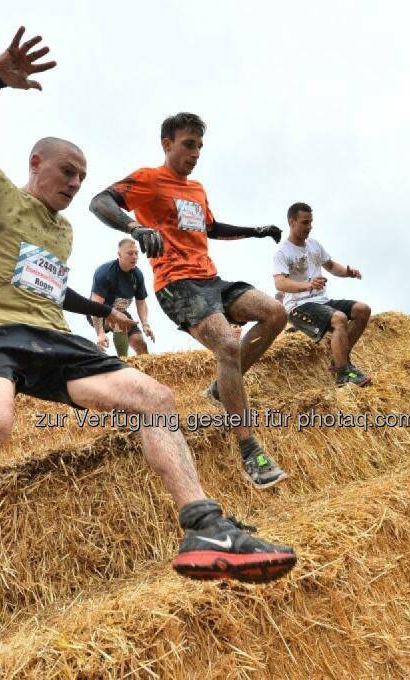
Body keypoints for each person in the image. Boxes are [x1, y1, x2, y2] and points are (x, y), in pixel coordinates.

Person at [0, 28, 296, 638]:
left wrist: (105, 311)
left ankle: (204, 524)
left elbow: (44, 289)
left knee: (157, 399)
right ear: (35, 164)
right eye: (67, 172)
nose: (74, 183)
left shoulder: (62, 233)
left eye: (82, 175)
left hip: (51, 338)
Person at [89, 112, 289, 490]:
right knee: (228, 345)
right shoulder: (148, 179)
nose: (195, 153)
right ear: (167, 144)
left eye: (199, 146)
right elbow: (100, 202)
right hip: (177, 285)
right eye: (187, 145)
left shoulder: (196, 189)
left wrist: (256, 231)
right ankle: (250, 450)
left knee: (274, 313)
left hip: (211, 279)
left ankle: (220, 388)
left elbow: (211, 228)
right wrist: (134, 226)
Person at [273, 202, 372, 387]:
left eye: (310, 222)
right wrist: (308, 285)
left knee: (363, 310)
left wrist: (348, 272)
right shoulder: (282, 252)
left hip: (322, 301)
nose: (309, 227)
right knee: (339, 319)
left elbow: (332, 266)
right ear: (291, 222)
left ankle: (339, 359)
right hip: (298, 306)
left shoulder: (314, 245)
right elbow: (280, 283)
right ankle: (343, 374)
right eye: (304, 222)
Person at [89, 239, 154, 357]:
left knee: (140, 343)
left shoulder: (137, 275)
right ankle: (124, 362)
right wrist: (100, 333)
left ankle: (146, 372)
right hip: (98, 312)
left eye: (136, 253)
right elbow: (95, 306)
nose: (134, 257)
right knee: (120, 323)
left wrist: (145, 324)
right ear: (119, 254)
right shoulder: (105, 272)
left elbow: (141, 302)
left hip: (121, 312)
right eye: (130, 253)